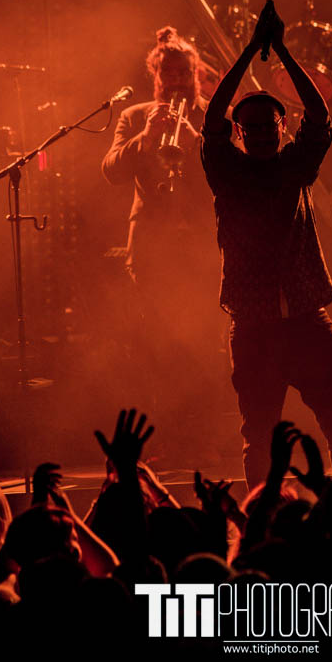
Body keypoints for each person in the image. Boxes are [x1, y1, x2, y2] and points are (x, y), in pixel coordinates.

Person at [201, 0, 332, 488]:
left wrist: (283, 54)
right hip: (254, 327)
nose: (259, 136)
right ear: (240, 133)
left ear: (282, 128)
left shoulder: (293, 168)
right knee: (261, 437)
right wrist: (253, 50)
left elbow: (319, 118)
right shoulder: (228, 174)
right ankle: (262, 526)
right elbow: (212, 123)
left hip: (306, 322)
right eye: (248, 129)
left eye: (267, 127)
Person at [101, 27, 219, 444]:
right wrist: (147, 137)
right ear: (155, 73)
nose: (176, 80)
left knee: (205, 341)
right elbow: (112, 170)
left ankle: (206, 435)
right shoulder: (135, 116)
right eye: (167, 72)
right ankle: (167, 438)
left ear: (197, 72)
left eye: (184, 72)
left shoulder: (214, 114)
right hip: (153, 247)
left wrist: (197, 142)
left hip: (204, 245)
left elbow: (237, 176)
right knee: (157, 344)